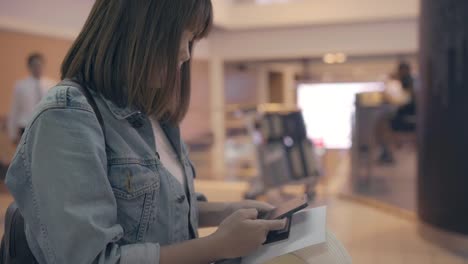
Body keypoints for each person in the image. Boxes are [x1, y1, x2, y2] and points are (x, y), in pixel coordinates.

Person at [4, 1, 286, 263]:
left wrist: (229, 212)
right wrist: (216, 246)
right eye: (181, 36)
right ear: (140, 29)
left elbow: (159, 211)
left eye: (192, 40)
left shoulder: (157, 114)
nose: (186, 54)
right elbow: (91, 258)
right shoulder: (66, 115)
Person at [7, 53, 54, 144]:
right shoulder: (20, 85)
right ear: (29, 67)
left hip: (45, 127)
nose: (37, 68)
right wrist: (12, 133)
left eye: (39, 65)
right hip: (25, 126)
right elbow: (14, 109)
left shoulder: (51, 85)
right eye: (34, 65)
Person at [376, 62, 416, 164]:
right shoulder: (407, 83)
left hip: (407, 118)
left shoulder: (409, 83)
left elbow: (405, 100)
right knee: (381, 125)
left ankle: (386, 152)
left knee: (382, 126)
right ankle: (386, 152)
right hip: (404, 117)